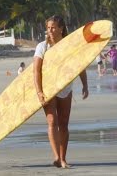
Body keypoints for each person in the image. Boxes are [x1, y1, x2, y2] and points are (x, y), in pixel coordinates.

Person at [33, 15, 89, 168]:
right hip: (48, 89)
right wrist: (39, 92)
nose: (49, 30)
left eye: (53, 27)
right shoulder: (42, 47)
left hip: (66, 88)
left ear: (61, 28)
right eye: (48, 27)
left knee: (64, 124)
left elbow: (79, 66)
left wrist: (85, 85)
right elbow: (36, 72)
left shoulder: (69, 46)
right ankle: (57, 156)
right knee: (52, 122)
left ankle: (63, 158)